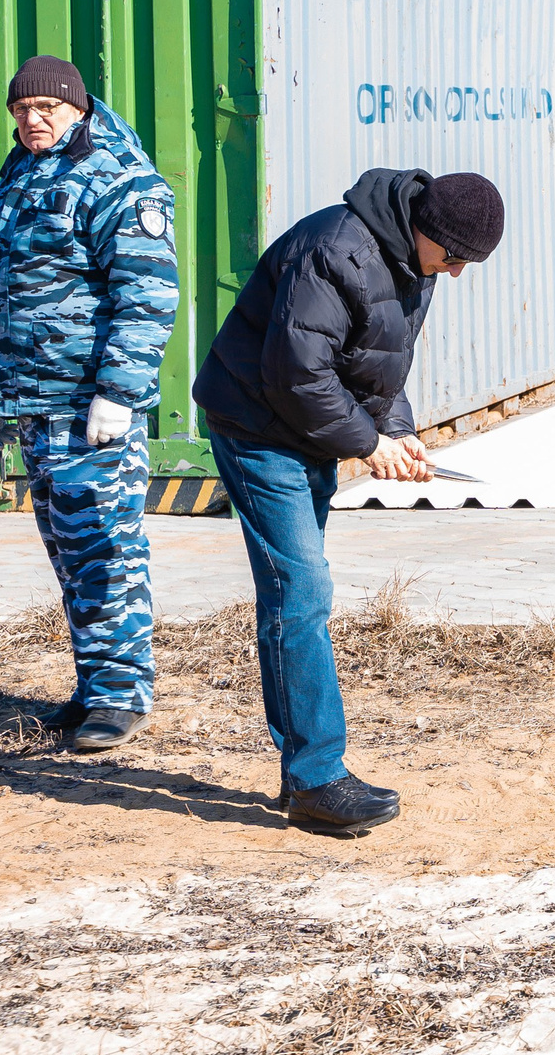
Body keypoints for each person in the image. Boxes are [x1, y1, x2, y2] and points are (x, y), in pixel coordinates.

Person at [193, 168, 504, 836]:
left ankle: (303, 768)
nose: (454, 274)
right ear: (428, 230)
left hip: (304, 432)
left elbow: (379, 361)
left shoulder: (409, 261)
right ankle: (315, 778)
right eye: (454, 258)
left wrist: (397, 431)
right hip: (258, 428)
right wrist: (367, 442)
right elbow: (297, 372)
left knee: (294, 596)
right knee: (302, 590)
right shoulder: (335, 251)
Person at [0, 57, 179, 753]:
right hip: (35, 403)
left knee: (106, 546)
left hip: (89, 407)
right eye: (21, 110)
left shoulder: (118, 180)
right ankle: (94, 686)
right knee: (69, 554)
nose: (32, 120)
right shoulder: (20, 176)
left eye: (45, 108)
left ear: (76, 107)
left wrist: (119, 393)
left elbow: (148, 295)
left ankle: (122, 693)